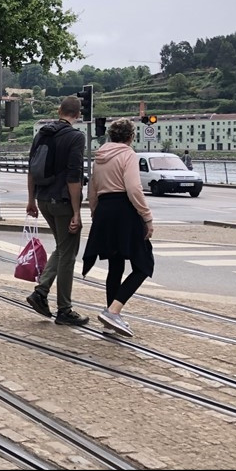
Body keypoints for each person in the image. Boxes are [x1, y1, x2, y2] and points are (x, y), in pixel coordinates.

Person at [82, 118, 154, 337]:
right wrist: (146, 216)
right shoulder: (127, 154)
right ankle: (114, 310)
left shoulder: (100, 156)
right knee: (144, 264)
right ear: (131, 137)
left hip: (104, 210)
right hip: (124, 210)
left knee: (116, 265)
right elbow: (133, 188)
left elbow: (92, 190)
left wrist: (96, 214)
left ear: (111, 136)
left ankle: (110, 317)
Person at [25, 96, 89, 326]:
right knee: (69, 254)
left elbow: (32, 169)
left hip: (43, 199)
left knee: (62, 247)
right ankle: (64, 309)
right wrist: (76, 212)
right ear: (78, 115)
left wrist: (31, 200)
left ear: (59, 110)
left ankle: (41, 292)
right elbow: (74, 177)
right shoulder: (75, 137)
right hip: (62, 201)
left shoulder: (42, 133)